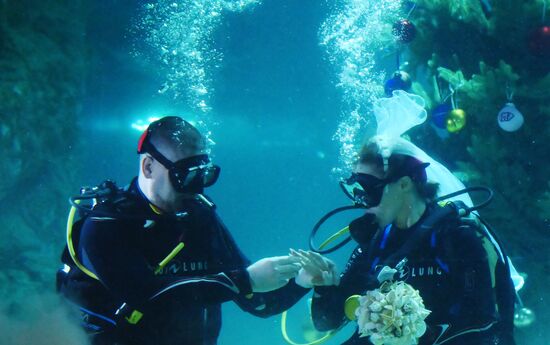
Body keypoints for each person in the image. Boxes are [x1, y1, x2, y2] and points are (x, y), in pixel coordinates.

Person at [56, 116, 333, 345]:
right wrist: (242, 281)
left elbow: (257, 303)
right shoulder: (107, 225)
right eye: (185, 176)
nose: (197, 188)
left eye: (204, 175)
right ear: (149, 166)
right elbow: (149, 296)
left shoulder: (199, 217)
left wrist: (301, 282)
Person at [309, 136, 517, 345]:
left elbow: (482, 320)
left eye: (368, 189)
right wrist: (323, 287)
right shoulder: (375, 244)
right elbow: (326, 321)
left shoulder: (457, 237)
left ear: (404, 184)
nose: (363, 202)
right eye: (356, 192)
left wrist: (415, 332)